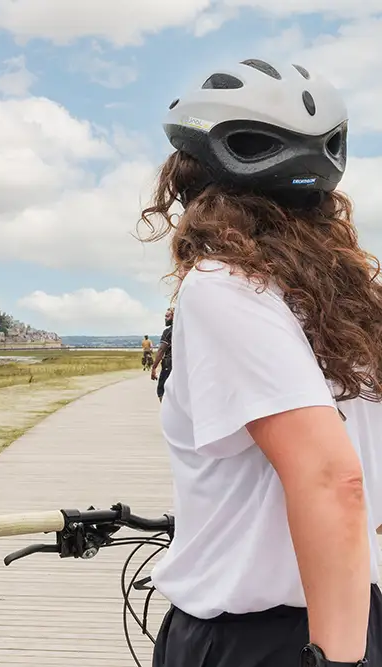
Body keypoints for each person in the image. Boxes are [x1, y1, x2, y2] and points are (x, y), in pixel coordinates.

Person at [140, 58, 382, 667]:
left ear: (188, 179)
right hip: (357, 616)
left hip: (267, 642)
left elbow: (333, 480)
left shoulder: (224, 285)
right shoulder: (351, 305)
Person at [150, 308, 173, 401]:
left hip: (169, 365)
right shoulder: (186, 331)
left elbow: (161, 350)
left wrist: (154, 367)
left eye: (167, 316)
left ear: (174, 317)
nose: (165, 318)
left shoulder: (168, 332)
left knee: (162, 391)